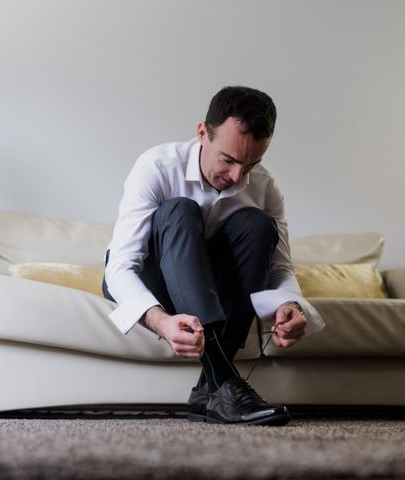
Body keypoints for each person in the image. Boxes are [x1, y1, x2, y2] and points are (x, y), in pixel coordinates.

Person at [102, 86, 324, 426]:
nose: (238, 177)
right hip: (154, 280)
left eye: (252, 163)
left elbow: (279, 268)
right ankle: (226, 384)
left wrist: (288, 304)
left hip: (217, 290)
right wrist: (160, 321)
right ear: (203, 132)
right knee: (179, 210)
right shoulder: (157, 166)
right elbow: (120, 267)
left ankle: (210, 394)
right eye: (229, 159)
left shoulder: (264, 186)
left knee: (257, 224)